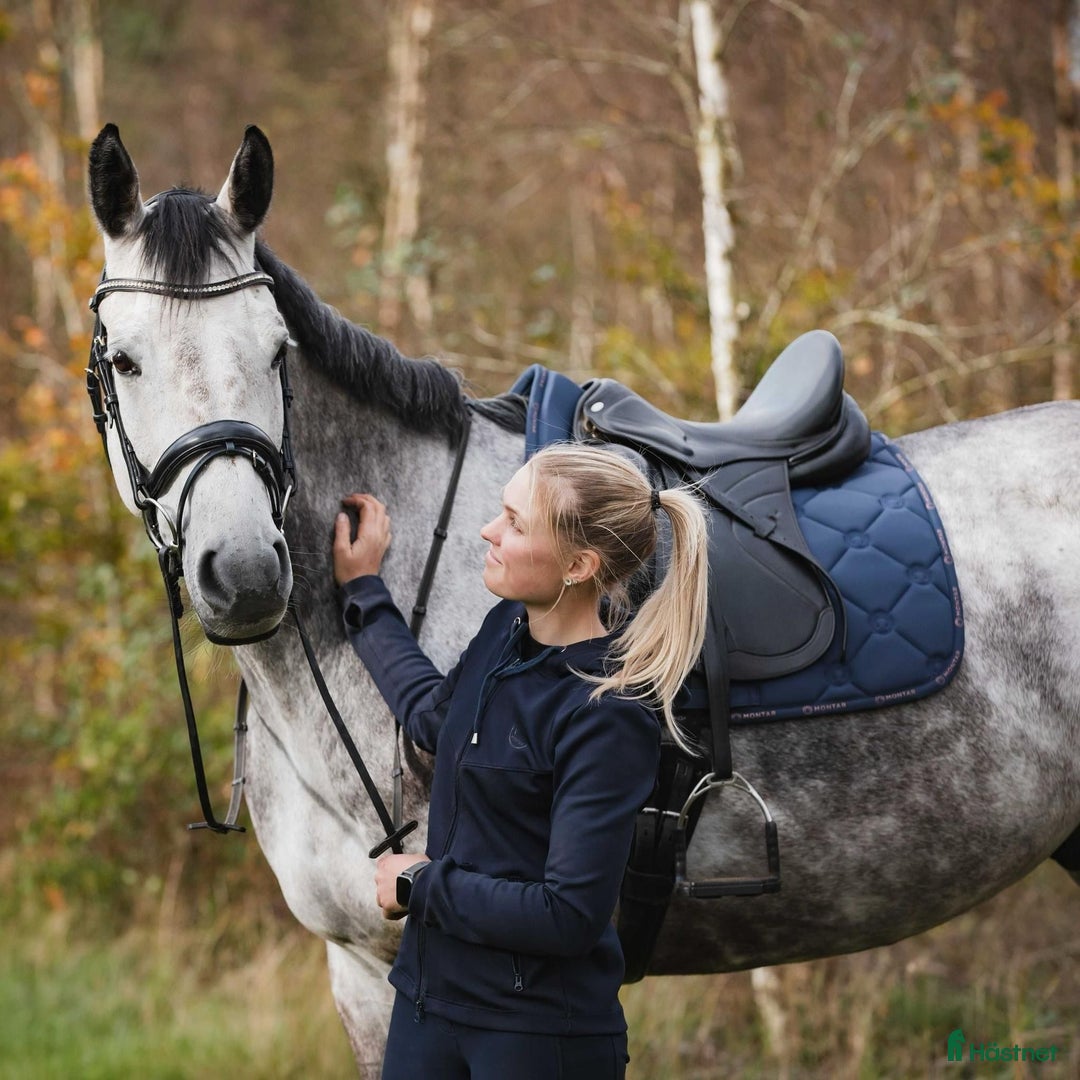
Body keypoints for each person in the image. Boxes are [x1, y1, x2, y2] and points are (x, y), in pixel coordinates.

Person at [332, 442, 709, 1080]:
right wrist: (364, 590)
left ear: (579, 563)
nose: (489, 530)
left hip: (535, 1036)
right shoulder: (504, 629)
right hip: (425, 1009)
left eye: (516, 522)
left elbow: (567, 915)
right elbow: (432, 715)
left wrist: (418, 884)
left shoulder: (606, 714)